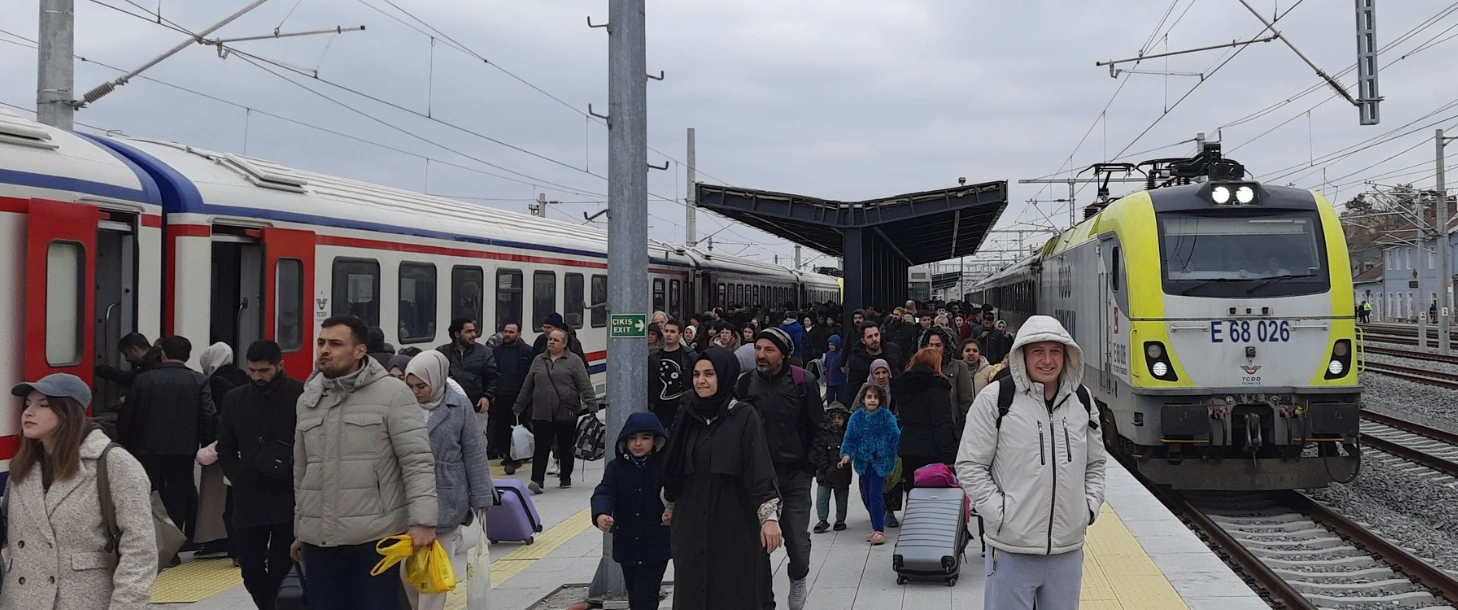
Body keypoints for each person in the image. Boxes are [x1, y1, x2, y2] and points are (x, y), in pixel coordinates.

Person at [956, 315, 1107, 609]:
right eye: (1038, 351)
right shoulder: (996, 400)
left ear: (1067, 355)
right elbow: (969, 465)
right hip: (1013, 548)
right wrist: (999, 514)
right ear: (1021, 354)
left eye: (1055, 351)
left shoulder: (1082, 401)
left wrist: (1088, 507)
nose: (1047, 360)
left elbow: (1096, 463)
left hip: (1067, 548)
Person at [289, 315, 438, 610]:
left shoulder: (393, 394)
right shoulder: (308, 398)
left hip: (373, 538)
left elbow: (416, 461)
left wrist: (423, 522)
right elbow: (302, 470)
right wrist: (301, 529)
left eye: (335, 343)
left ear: (360, 351)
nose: (324, 350)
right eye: (321, 343)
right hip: (319, 541)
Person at [1, 374, 158, 609]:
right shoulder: (24, 466)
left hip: (84, 600)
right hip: (22, 601)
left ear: (68, 413)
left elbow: (140, 548)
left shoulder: (113, 463)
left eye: (43, 405)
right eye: (27, 404)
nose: (28, 412)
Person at [662, 349, 782, 610]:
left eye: (708, 374)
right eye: (695, 374)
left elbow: (758, 466)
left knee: (732, 591)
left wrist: (769, 520)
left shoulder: (743, 416)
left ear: (724, 376)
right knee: (692, 593)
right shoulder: (687, 416)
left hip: (733, 522)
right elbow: (673, 465)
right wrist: (670, 503)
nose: (700, 381)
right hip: (691, 523)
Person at [736, 328, 825, 610]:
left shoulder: (803, 383)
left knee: (797, 539)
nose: (760, 355)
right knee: (757, 545)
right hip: (757, 478)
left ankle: (798, 577)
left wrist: (809, 465)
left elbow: (818, 428)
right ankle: (765, 601)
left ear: (784, 354)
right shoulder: (744, 384)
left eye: (768, 350)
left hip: (794, 475)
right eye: (758, 349)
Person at [401, 352, 495, 610]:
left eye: (421, 386)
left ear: (438, 379)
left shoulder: (459, 405)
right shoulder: (400, 406)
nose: (416, 392)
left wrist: (482, 497)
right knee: (406, 572)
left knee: (433, 570)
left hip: (447, 498)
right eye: (411, 386)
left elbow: (474, 451)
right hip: (405, 499)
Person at [217, 340, 305, 610]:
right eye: (252, 371)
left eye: (264, 371)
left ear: (280, 366)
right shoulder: (235, 399)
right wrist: (237, 476)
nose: (257, 377)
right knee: (250, 570)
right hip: (249, 496)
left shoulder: (301, 395)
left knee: (281, 567)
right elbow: (225, 446)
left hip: (288, 496)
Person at [117, 335, 216, 558]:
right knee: (177, 496)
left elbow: (127, 416)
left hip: (145, 448)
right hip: (183, 449)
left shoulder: (144, 380)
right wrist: (205, 444)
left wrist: (125, 444)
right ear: (188, 356)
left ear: (162, 354)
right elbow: (208, 415)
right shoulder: (199, 381)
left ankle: (149, 543)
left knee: (148, 494)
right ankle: (172, 549)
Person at [591, 412, 672, 610]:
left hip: (656, 544)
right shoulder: (616, 467)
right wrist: (602, 513)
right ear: (624, 442)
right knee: (634, 594)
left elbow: (678, 491)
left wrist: (672, 509)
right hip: (627, 543)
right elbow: (604, 492)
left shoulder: (664, 466)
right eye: (632, 438)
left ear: (656, 441)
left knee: (646, 595)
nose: (638, 444)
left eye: (645, 438)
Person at [514, 328, 598, 494]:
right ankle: (537, 480)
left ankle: (565, 476)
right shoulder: (539, 360)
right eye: (550, 339)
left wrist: (592, 405)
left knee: (565, 445)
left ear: (565, 343)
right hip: (542, 411)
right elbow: (528, 384)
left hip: (566, 411)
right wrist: (519, 406)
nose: (551, 342)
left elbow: (584, 384)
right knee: (541, 446)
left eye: (555, 340)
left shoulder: (574, 361)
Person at [892, 347, 958, 530]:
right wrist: (950, 455)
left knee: (913, 492)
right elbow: (942, 422)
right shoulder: (937, 386)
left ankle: (914, 530)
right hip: (931, 447)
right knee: (935, 494)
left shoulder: (902, 385)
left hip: (909, 443)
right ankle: (934, 533)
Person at [195, 342, 249, 558]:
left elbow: (213, 414)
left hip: (220, 445)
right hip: (239, 448)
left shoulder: (215, 382)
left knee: (218, 499)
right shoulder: (242, 376)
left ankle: (220, 540)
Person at [839, 384, 899, 545]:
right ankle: (875, 527)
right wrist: (846, 455)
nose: (872, 400)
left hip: (880, 461)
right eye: (869, 397)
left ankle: (879, 529)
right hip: (863, 461)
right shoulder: (856, 417)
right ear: (863, 400)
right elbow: (850, 438)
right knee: (868, 495)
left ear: (880, 400)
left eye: (875, 397)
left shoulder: (886, 417)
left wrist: (896, 453)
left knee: (875, 494)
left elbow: (895, 437)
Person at [437, 317, 500, 423]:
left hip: (476, 408)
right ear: (457, 334)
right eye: (468, 331)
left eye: (473, 331)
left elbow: (493, 377)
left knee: (476, 438)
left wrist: (487, 396)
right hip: (449, 408)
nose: (473, 335)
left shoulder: (484, 352)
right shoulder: (443, 352)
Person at [492, 322, 535, 474]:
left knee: (519, 427)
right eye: (506, 331)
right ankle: (507, 454)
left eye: (511, 332)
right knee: (502, 428)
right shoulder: (497, 352)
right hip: (501, 396)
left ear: (519, 334)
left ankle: (516, 457)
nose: (508, 334)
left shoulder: (527, 352)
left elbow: (531, 375)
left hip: (520, 397)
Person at [921, 327, 974, 428]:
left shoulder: (959, 367)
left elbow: (966, 402)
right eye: (931, 345)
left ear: (946, 347)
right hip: (924, 427)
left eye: (938, 345)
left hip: (950, 426)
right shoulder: (918, 367)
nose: (933, 349)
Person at [649, 319, 697, 429]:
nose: (668, 334)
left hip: (682, 408)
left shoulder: (689, 355)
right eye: (666, 331)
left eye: (672, 331)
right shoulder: (654, 356)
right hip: (660, 408)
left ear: (680, 335)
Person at [812, 403, 852, 535]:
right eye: (834, 418)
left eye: (840, 418)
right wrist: (825, 467)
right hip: (825, 472)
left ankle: (840, 519)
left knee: (841, 497)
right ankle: (822, 519)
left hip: (842, 473)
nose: (836, 421)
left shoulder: (847, 434)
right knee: (822, 498)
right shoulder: (823, 434)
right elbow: (819, 451)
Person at [845, 323, 903, 395]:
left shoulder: (893, 350)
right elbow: (853, 389)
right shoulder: (857, 361)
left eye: (876, 335)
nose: (874, 339)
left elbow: (902, 372)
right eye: (870, 337)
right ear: (863, 340)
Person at [822, 335, 847, 407]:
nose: (831, 346)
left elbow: (845, 366)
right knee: (829, 399)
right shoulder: (828, 354)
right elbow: (825, 364)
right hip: (830, 381)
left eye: (833, 345)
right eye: (830, 345)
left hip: (840, 381)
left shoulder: (842, 354)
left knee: (840, 400)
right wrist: (825, 371)